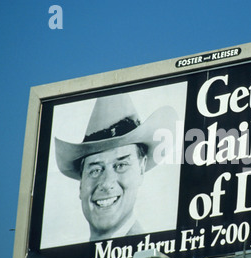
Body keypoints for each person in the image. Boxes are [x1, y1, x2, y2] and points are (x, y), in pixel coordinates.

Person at [54, 93, 177, 241]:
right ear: (81, 184)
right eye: (95, 170)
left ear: (141, 168)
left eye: (121, 165)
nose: (106, 183)